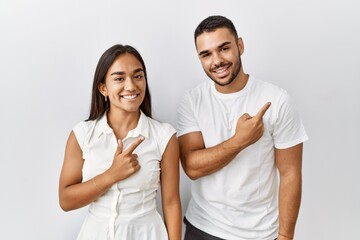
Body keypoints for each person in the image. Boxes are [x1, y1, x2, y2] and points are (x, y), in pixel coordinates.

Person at [177, 15, 308, 240]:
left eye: (224, 48)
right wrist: (240, 140)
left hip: (260, 232)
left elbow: (290, 174)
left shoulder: (277, 99)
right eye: (206, 54)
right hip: (203, 226)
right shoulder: (192, 100)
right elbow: (192, 167)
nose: (216, 60)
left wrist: (286, 236)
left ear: (240, 45)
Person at [59, 44, 182, 240]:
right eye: (119, 78)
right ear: (103, 88)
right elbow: (65, 201)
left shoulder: (164, 136)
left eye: (138, 76)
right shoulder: (82, 134)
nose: (131, 86)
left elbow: (171, 203)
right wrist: (111, 175)